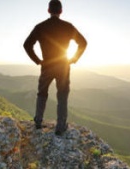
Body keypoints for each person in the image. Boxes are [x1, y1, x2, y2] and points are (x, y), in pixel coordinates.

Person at [23, 0, 87, 135]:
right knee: (62, 95)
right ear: (61, 11)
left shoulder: (40, 27)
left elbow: (27, 45)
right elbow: (83, 43)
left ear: (48, 11)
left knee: (42, 93)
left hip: (47, 65)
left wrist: (38, 61)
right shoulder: (68, 27)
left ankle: (38, 121)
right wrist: (74, 59)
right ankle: (61, 126)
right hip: (63, 66)